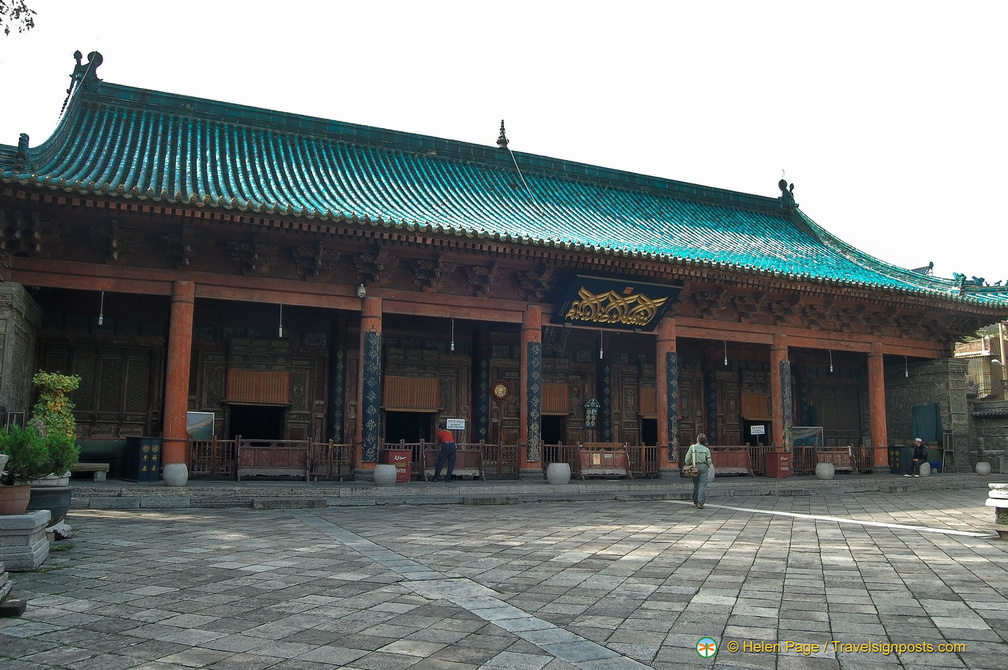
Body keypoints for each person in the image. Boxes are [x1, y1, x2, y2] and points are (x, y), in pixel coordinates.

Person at [685, 433, 713, 508]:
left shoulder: (692, 447)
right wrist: (707, 465)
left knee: (696, 484)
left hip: (695, 466)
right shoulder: (706, 449)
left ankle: (695, 500)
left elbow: (687, 459)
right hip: (704, 466)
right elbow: (709, 460)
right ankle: (700, 502)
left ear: (697, 440)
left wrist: (688, 464)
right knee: (702, 485)